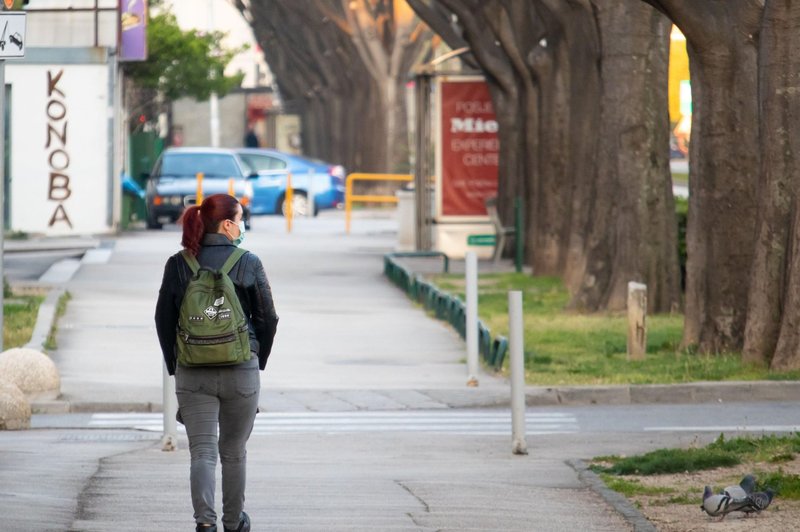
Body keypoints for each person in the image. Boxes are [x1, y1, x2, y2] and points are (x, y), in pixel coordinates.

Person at [155, 194, 279, 532]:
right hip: (241, 372)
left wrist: (175, 365)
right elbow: (268, 318)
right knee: (234, 451)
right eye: (239, 219)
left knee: (203, 452)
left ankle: (205, 524)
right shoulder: (248, 262)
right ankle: (233, 522)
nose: (241, 226)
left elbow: (163, 320)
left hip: (193, 372)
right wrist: (256, 359)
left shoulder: (179, 264)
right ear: (227, 224)